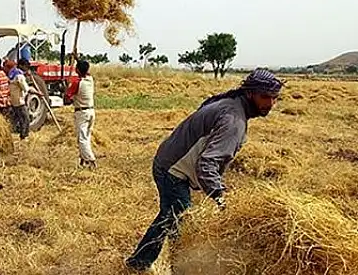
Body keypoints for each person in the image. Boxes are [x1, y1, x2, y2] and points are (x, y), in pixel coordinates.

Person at [124, 68, 284, 271]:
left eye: (274, 98)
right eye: (265, 97)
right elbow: (206, 163)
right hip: (173, 170)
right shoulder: (233, 120)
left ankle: (149, 263)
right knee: (179, 221)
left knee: (172, 219)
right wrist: (221, 198)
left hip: (168, 160)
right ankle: (149, 265)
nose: (270, 104)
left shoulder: (231, 104)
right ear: (250, 93)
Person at [64, 60, 96, 168]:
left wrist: (66, 88)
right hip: (91, 111)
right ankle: (83, 160)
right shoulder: (90, 80)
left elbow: (67, 100)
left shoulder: (77, 83)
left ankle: (90, 160)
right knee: (87, 137)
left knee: (82, 139)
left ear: (77, 70)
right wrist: (77, 58)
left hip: (81, 113)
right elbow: (84, 70)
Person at [8, 58, 41, 140]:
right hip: (20, 101)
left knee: (15, 119)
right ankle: (24, 136)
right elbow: (26, 89)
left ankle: (10, 134)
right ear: (21, 66)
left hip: (13, 99)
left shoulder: (12, 73)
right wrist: (37, 93)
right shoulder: (19, 76)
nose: (27, 69)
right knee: (25, 119)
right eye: (26, 67)